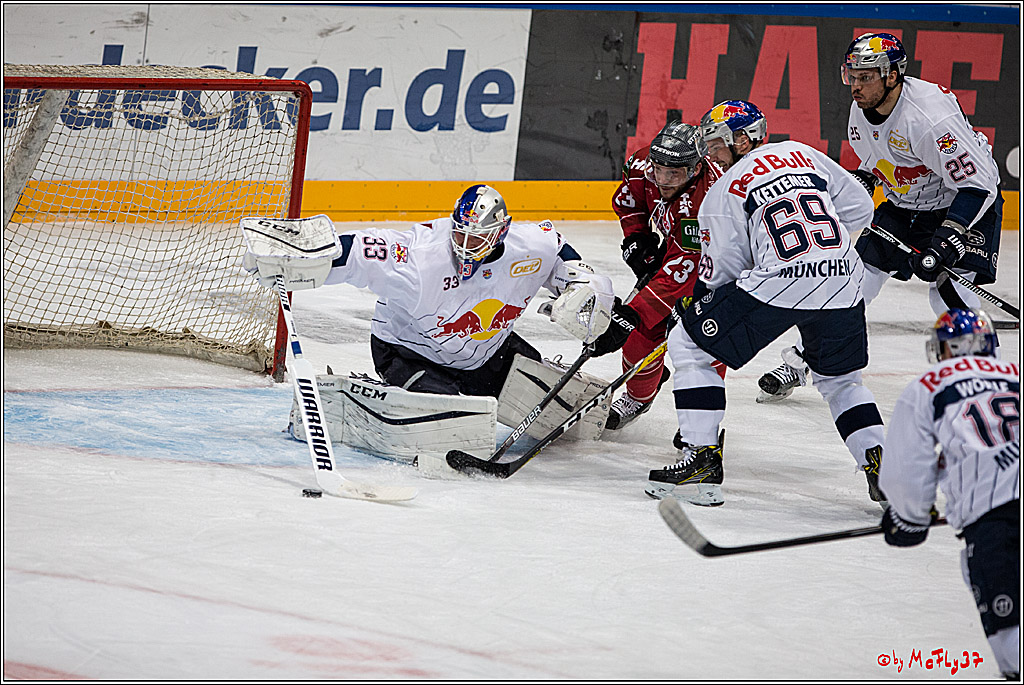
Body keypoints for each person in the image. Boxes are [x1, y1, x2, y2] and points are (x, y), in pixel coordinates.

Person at [643, 100, 886, 507]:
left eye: (715, 144)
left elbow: (722, 273)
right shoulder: (802, 152)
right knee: (842, 381)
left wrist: (698, 306)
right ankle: (880, 465)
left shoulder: (723, 191)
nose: (711, 154)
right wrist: (821, 253)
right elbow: (860, 208)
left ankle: (700, 455)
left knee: (689, 344)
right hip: (845, 277)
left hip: (780, 282)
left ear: (742, 140)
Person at [757, 32, 1003, 403]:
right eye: (852, 76)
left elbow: (978, 186)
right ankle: (805, 359)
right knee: (850, 281)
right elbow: (881, 161)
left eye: (866, 77)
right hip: (905, 204)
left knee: (949, 293)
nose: (855, 86)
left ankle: (982, 380)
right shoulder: (862, 108)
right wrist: (863, 181)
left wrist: (948, 237)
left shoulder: (930, 119)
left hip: (963, 205)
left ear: (892, 76)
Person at [253, 184, 616, 399]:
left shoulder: (530, 246)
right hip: (407, 353)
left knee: (556, 404)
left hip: (486, 354)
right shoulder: (421, 256)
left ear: (502, 231)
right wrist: (298, 257)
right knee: (456, 418)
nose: (465, 245)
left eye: (477, 238)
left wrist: (580, 288)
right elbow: (358, 253)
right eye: (460, 233)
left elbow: (559, 251)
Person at [879, 308, 1018, 680]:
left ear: (948, 348)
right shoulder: (1016, 373)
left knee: (1012, 643)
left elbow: (907, 466)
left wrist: (909, 518)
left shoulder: (928, 386)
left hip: (997, 518)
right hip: (997, 510)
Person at [600, 120, 725, 430]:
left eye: (675, 174)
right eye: (659, 170)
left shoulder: (709, 202)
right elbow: (628, 201)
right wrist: (637, 237)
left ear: (696, 169)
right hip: (681, 252)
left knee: (705, 349)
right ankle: (639, 398)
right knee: (637, 343)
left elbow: (685, 269)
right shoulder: (643, 166)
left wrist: (633, 313)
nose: (664, 180)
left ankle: (701, 427)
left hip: (720, 272)